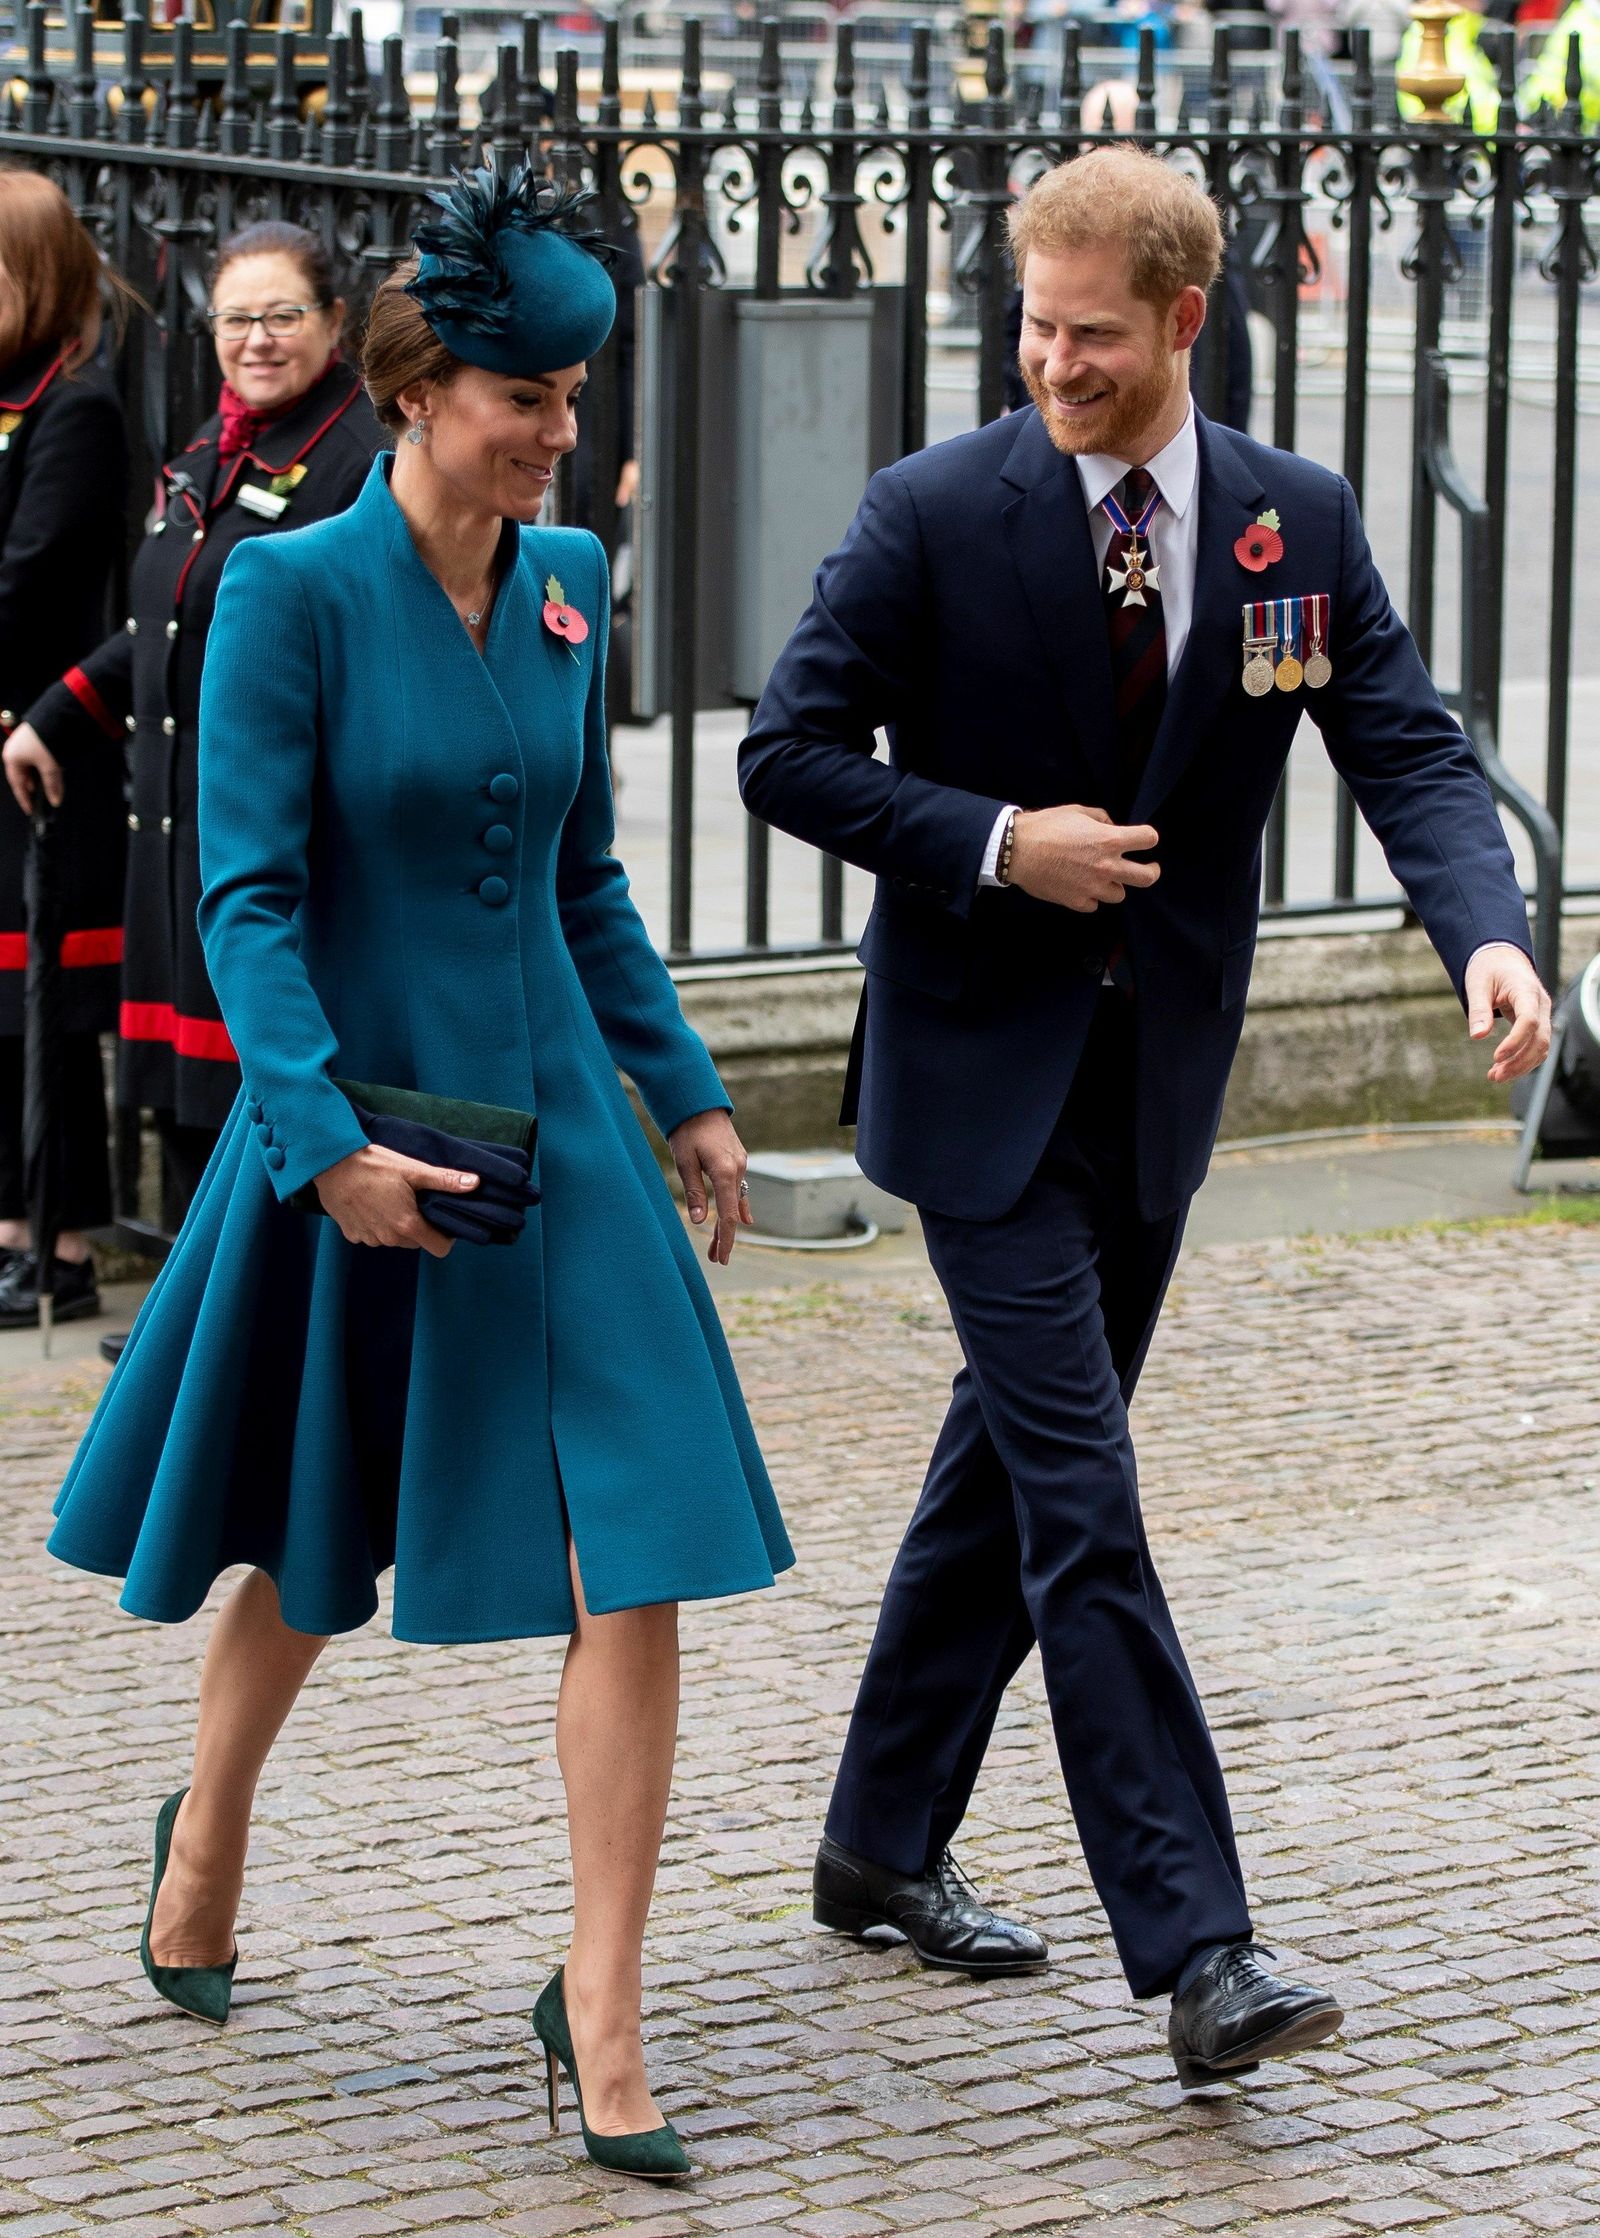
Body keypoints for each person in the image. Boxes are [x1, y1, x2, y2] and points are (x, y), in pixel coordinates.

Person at [740, 147, 1548, 2091]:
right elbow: (784, 750)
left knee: (1003, 1485)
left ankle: (876, 1843)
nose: (1049, 360)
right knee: (1082, 1506)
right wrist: (995, 843)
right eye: (1030, 321)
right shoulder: (934, 513)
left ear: (1184, 321)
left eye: (1090, 332)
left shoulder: (1288, 522)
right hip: (969, 1088)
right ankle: (1197, 1949)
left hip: (1156, 1087)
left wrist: (1486, 940)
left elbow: (1402, 743)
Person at [44, 162, 792, 2183]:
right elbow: (250, 900)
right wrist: (320, 1145)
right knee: (314, 1510)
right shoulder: (286, 589)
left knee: (631, 1543)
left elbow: (583, 881)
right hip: (359, 1120)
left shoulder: (566, 588)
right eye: (526, 398)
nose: (562, 433)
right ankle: (203, 1837)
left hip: (555, 1122)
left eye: (569, 397)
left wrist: (689, 1091)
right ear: (416, 397)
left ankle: (605, 2007)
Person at [4, 219, 385, 1264]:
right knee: (177, 1078)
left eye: (281, 316)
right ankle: (191, 1310)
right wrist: (59, 711)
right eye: (235, 319)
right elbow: (167, 620)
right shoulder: (213, 449)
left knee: (251, 1074)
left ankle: (240, 1317)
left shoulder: (360, 462)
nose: (256, 341)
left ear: (336, 322)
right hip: (177, 818)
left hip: (276, 824)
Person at [0, 172, 128, 1328]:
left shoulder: (73, 407)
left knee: (41, 1004)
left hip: (43, 744)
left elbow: (29, 582)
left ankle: (60, 1241)